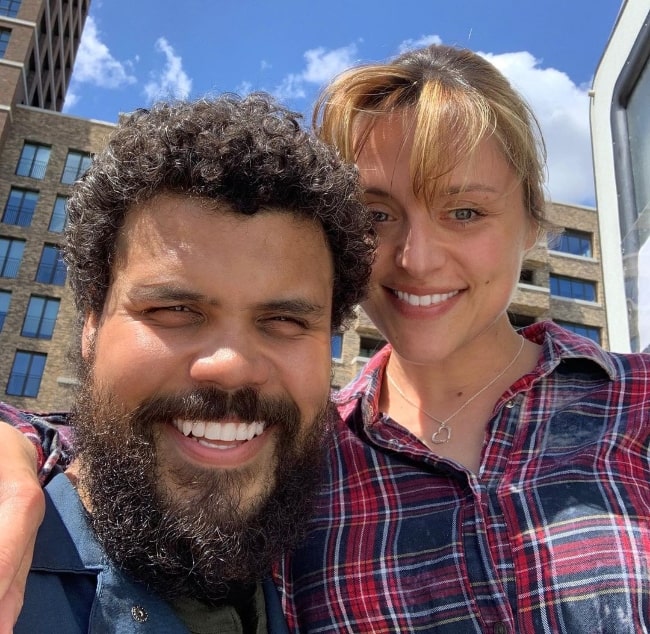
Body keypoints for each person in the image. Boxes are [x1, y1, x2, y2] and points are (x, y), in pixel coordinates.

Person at [2, 43, 650, 633]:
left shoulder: (636, 402)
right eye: (376, 215)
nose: (417, 258)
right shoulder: (303, 451)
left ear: (533, 221)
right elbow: (117, 434)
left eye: (464, 212)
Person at [3, 92, 373, 634]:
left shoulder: (319, 577)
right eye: (175, 309)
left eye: (286, 321)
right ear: (90, 327)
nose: (231, 366)